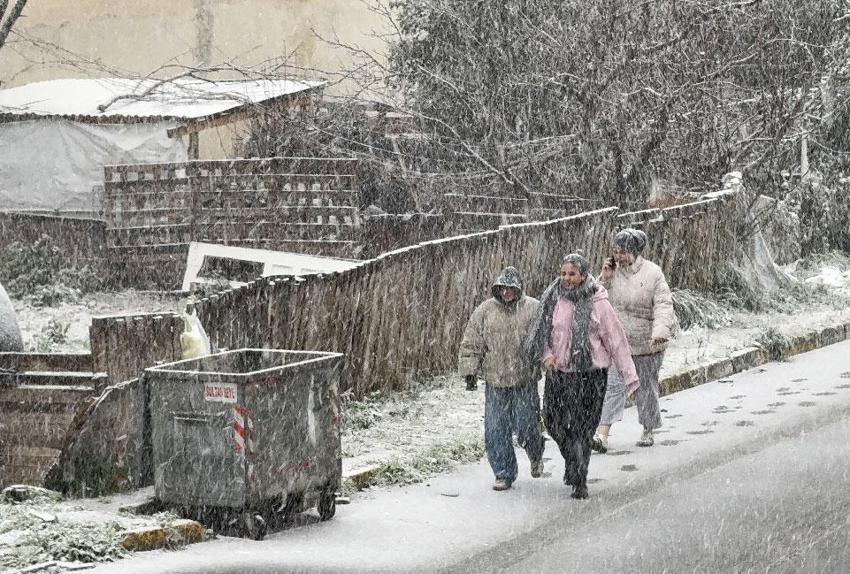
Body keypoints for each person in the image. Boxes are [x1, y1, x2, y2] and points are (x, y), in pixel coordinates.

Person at [524, 253, 638, 499]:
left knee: (581, 429)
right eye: (563, 273)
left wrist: (630, 376)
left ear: (584, 275)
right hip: (560, 374)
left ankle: (580, 480)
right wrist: (546, 355)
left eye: (572, 274)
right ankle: (572, 462)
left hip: (590, 376)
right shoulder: (553, 298)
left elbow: (616, 341)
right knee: (553, 422)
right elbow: (542, 331)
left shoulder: (598, 302)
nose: (566, 278)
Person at [458, 266, 545, 491]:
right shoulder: (485, 311)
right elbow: (472, 342)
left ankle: (536, 453)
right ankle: (503, 472)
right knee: (496, 428)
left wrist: (547, 362)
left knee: (527, 425)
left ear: (519, 289)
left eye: (511, 289)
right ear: (497, 289)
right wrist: (470, 370)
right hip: (495, 380)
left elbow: (546, 339)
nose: (507, 293)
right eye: (503, 289)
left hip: (524, 379)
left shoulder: (533, 308)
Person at [594, 228, 674, 451]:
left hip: (647, 344)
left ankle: (648, 428)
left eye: (624, 252)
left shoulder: (653, 273)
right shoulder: (612, 273)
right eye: (616, 251)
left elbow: (664, 305)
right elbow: (595, 298)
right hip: (619, 345)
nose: (619, 257)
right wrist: (604, 278)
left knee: (645, 388)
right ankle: (602, 434)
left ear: (636, 252)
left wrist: (659, 332)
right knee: (613, 388)